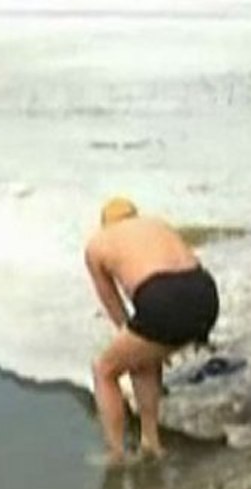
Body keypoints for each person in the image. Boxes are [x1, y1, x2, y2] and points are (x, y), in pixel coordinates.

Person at [84, 196, 219, 466]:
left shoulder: (98, 244)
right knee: (141, 358)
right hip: (205, 294)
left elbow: (114, 306)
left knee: (104, 370)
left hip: (163, 296)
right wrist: (148, 342)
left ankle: (116, 454)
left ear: (104, 224)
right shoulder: (157, 225)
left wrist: (144, 333)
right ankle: (151, 442)